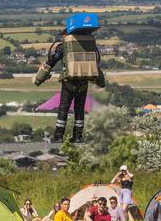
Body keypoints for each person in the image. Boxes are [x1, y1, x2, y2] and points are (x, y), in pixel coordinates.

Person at [33, 14, 106, 143]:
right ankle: (78, 137)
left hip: (69, 82)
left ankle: (59, 136)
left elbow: (52, 61)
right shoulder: (90, 44)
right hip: (84, 81)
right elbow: (95, 63)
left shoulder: (63, 46)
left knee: (64, 108)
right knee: (79, 109)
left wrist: (39, 79)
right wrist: (101, 82)